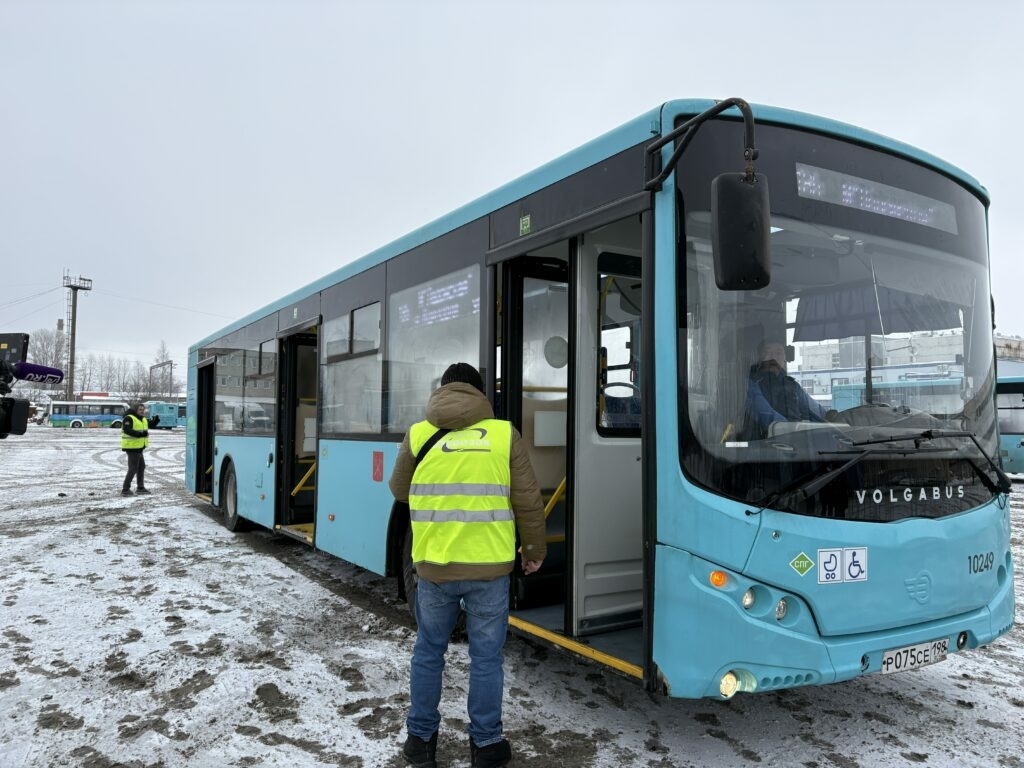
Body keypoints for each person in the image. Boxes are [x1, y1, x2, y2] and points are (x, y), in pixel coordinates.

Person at [389, 362, 546, 768]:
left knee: (428, 652)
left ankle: (420, 742)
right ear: (480, 392)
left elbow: (399, 491)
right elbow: (527, 501)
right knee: (486, 658)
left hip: (434, 570)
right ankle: (487, 744)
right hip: (490, 571)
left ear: (443, 390)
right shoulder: (502, 434)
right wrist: (533, 551)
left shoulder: (418, 433)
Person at [745, 340, 836, 437]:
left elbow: (814, 409)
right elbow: (766, 414)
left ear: (785, 359)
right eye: (767, 353)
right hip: (764, 442)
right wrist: (794, 429)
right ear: (759, 358)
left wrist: (830, 418)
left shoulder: (792, 384)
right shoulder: (751, 383)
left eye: (778, 353)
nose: (773, 358)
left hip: (796, 439)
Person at [121, 402, 158, 496]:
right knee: (133, 468)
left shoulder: (142, 419)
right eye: (140, 410)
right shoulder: (129, 418)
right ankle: (125, 489)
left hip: (139, 447)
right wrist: (140, 434)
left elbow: (150, 425)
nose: (142, 411)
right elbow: (127, 430)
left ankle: (140, 488)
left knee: (141, 467)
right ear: (135, 410)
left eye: (143, 409)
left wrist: (156, 421)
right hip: (132, 447)